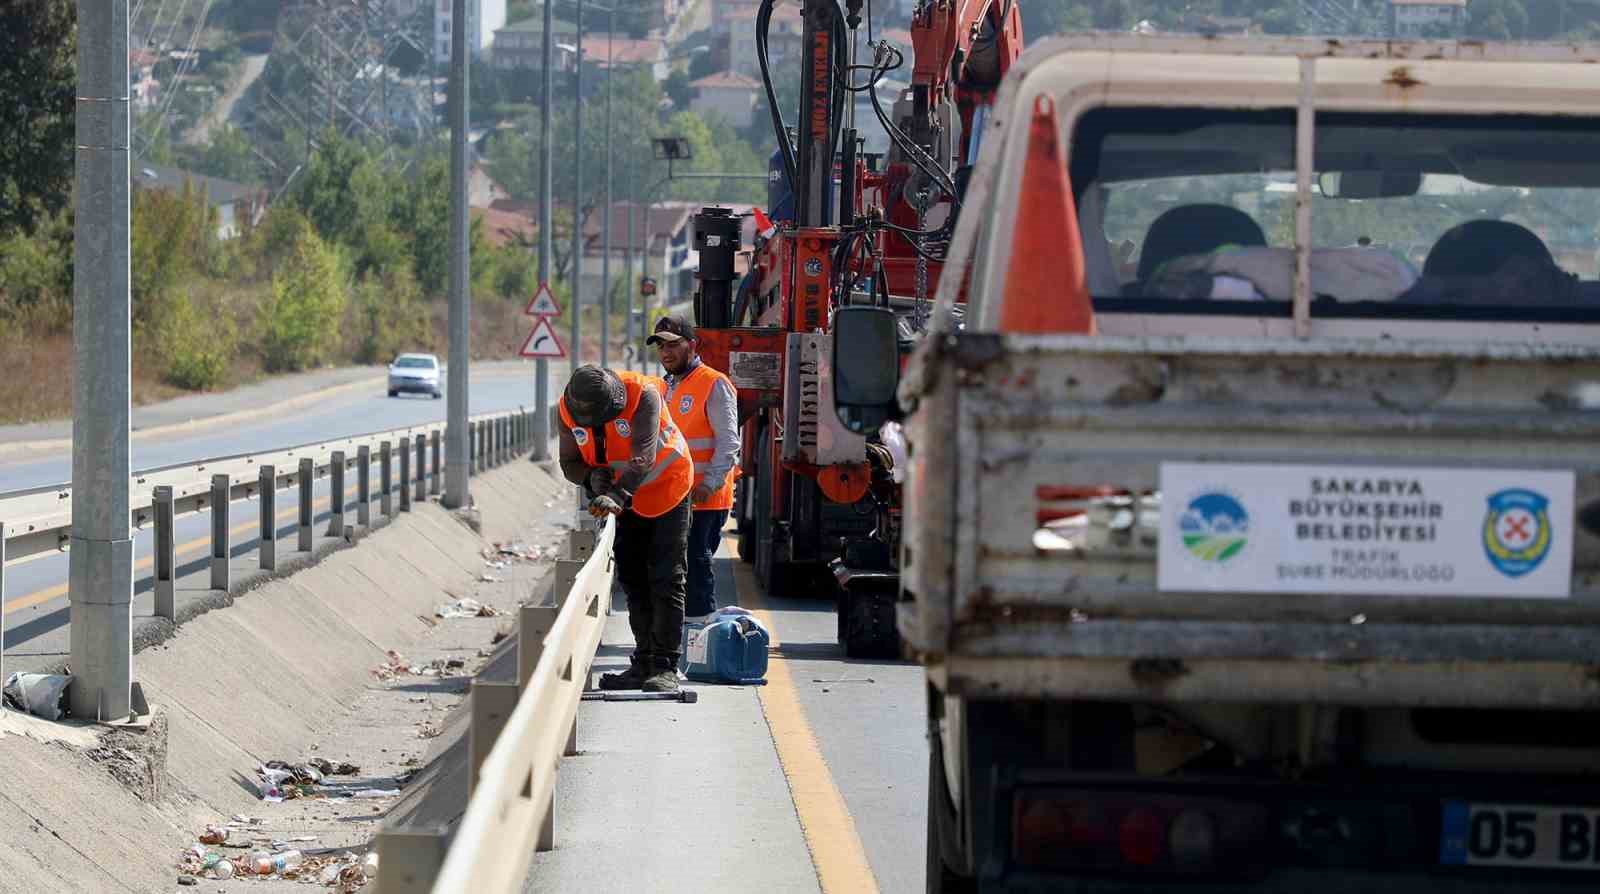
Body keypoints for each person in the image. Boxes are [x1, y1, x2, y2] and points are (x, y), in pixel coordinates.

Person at [557, 364, 693, 692]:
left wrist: (616, 494)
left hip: (667, 488)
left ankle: (665, 666)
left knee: (666, 576)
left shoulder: (642, 395)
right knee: (633, 579)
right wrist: (591, 477)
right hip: (623, 497)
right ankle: (644, 661)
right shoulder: (566, 410)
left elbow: (643, 458)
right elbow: (569, 463)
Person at [648, 316, 740, 622]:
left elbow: (729, 442)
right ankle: (680, 632)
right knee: (674, 567)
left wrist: (709, 484)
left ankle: (700, 629)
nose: (666, 352)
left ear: (692, 345)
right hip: (672, 497)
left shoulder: (713, 383)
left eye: (673, 344)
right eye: (661, 346)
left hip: (704, 498)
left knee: (696, 563)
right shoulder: (664, 387)